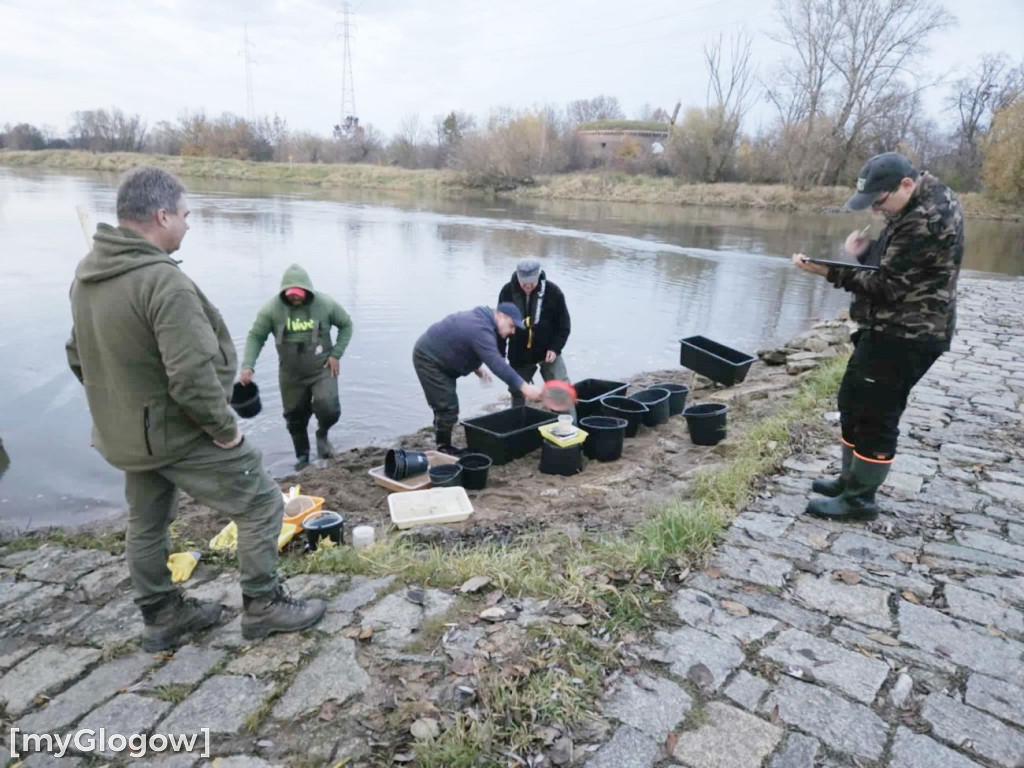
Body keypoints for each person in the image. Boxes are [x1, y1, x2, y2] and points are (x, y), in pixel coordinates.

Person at [66, 166, 325, 651]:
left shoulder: (87, 277)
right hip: (174, 431)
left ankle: (162, 616)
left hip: (126, 434)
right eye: (186, 214)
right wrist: (224, 429)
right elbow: (190, 377)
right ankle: (263, 605)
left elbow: (78, 357)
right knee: (262, 501)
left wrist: (121, 407)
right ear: (162, 216)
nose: (188, 224)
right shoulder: (161, 282)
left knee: (146, 522)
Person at [792, 151, 964, 521]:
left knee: (876, 413)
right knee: (852, 398)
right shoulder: (914, 201)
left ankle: (859, 500)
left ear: (906, 184)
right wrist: (867, 251)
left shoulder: (926, 218)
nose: (876, 210)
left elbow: (888, 285)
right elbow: (901, 265)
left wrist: (829, 271)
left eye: (879, 202)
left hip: (909, 333)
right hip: (888, 327)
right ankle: (849, 479)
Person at [240, 265, 353, 469]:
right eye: (290, 294)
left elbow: (346, 324)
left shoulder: (325, 304)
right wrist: (248, 365)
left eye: (299, 294)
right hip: (290, 373)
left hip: (322, 369)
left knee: (329, 408)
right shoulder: (271, 309)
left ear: (307, 291)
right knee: (294, 417)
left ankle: (322, 434)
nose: (295, 297)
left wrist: (336, 354)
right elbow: (255, 336)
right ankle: (302, 457)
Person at [413, 303, 545, 454]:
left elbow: (462, 342)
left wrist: (477, 368)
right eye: (511, 326)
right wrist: (525, 387)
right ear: (500, 316)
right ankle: (443, 447)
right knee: (447, 407)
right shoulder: (480, 328)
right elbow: (497, 363)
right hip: (429, 360)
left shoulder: (484, 321)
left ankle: (442, 440)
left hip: (441, 358)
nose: (513, 331)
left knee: (446, 404)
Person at [497, 258, 575, 420]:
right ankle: (517, 423)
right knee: (517, 390)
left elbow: (564, 325)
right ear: (517, 276)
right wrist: (499, 355)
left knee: (562, 389)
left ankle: (571, 427)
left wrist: (555, 348)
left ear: (538, 276)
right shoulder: (507, 292)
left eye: (531, 282)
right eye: (524, 282)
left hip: (548, 350)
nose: (527, 286)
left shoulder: (553, 292)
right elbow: (500, 327)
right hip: (519, 352)